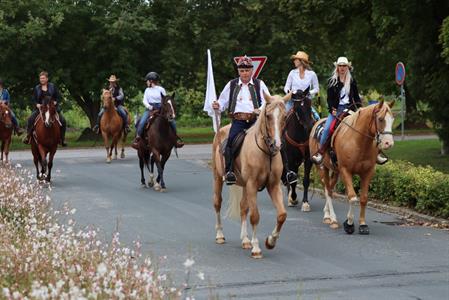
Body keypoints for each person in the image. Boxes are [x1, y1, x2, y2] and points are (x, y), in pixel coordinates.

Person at [212, 55, 297, 185]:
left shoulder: (259, 84)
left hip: (256, 121)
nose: (244, 73)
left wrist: (260, 109)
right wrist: (217, 105)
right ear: (238, 71)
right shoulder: (232, 84)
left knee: (278, 140)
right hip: (238, 121)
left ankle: (286, 173)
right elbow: (222, 102)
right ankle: (230, 172)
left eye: (247, 70)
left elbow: (268, 101)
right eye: (241, 70)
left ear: (252, 71)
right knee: (230, 142)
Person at [131, 72, 184, 149]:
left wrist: (162, 107)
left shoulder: (161, 89)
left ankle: (176, 139)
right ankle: (137, 138)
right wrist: (149, 107)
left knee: (172, 121)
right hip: (150, 108)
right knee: (142, 122)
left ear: (151, 81)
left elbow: (165, 99)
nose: (146, 82)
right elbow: (144, 100)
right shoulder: (147, 90)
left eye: (147, 80)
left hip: (160, 107)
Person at [23, 71, 67, 146]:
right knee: (30, 119)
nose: (42, 80)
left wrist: (56, 102)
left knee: (63, 120)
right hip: (40, 108)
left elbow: (58, 96)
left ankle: (62, 139)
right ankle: (28, 136)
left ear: (47, 79)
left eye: (43, 78)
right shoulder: (37, 88)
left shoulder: (52, 86)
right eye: (40, 78)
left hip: (51, 108)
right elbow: (33, 99)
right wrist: (37, 104)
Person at [284, 51, 320, 121]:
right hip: (292, 100)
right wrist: (289, 92)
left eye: (296, 59)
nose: (294, 61)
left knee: (317, 118)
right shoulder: (292, 73)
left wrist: (308, 93)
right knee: (282, 117)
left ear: (301, 61)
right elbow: (286, 87)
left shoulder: (312, 74)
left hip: (305, 101)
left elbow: (316, 89)